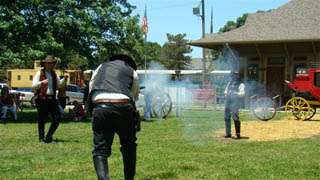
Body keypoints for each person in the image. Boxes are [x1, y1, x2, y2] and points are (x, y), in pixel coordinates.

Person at [88, 53, 140, 180]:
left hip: (100, 105)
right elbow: (134, 95)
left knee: (100, 150)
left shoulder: (101, 67)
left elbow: (91, 87)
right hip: (123, 106)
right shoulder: (131, 70)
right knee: (129, 146)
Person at [32, 55, 67, 143]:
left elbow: (59, 85)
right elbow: (33, 86)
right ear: (45, 64)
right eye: (48, 63)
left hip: (52, 99)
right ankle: (41, 138)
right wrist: (41, 82)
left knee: (57, 118)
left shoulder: (54, 74)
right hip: (41, 98)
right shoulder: (40, 73)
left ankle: (48, 137)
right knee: (42, 119)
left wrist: (65, 80)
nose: (50, 64)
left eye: (51, 63)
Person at [224, 71, 245, 139]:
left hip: (235, 101)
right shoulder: (229, 83)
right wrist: (226, 93)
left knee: (235, 117)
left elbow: (242, 94)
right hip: (228, 101)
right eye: (234, 75)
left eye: (236, 75)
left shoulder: (241, 84)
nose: (234, 76)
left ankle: (238, 133)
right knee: (226, 117)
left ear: (238, 76)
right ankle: (228, 133)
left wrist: (235, 93)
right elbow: (226, 91)